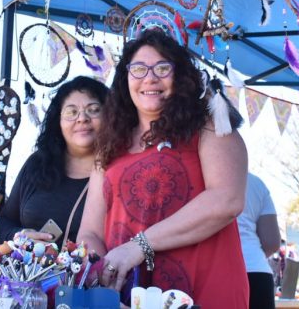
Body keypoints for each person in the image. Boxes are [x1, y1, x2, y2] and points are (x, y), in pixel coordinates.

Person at [77, 29, 249, 308]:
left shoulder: (209, 126)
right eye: (139, 69)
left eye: (162, 68)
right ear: (125, 79)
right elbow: (90, 233)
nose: (150, 78)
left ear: (180, 77)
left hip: (201, 291)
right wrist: (100, 275)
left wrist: (137, 247)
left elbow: (226, 199)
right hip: (124, 296)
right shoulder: (109, 145)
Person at [0, 76, 109, 249]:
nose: (82, 118)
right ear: (58, 121)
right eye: (71, 112)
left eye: (93, 110)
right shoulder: (38, 164)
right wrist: (19, 236)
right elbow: (4, 222)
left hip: (90, 275)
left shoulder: (119, 170)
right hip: (28, 274)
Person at [237, 173, 281, 309]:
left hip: (217, 272)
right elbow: (272, 242)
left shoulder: (197, 176)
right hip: (258, 270)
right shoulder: (257, 183)